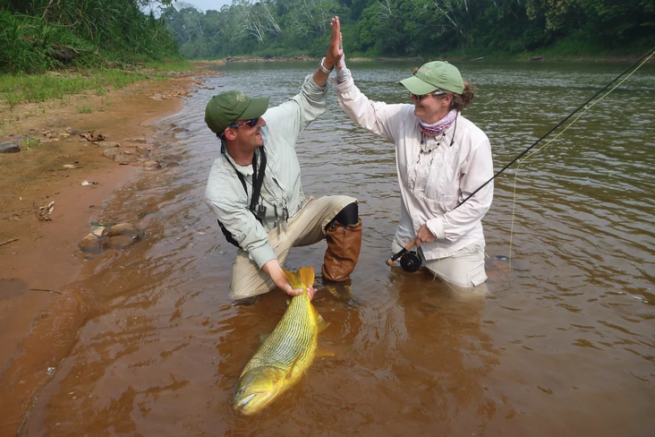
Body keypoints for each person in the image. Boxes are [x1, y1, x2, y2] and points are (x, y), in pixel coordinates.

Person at [204, 18, 361, 301]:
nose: (261, 121)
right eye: (252, 121)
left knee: (346, 208)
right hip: (265, 236)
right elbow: (252, 237)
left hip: (301, 215)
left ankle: (336, 290)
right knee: (243, 299)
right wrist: (282, 281)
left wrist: (328, 62)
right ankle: (283, 283)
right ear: (230, 133)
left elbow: (305, 100)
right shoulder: (219, 188)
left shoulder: (270, 125)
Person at [331, 18, 493, 294]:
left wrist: (438, 228)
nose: (412, 99)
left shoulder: (474, 140)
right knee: (402, 293)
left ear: (447, 99)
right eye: (412, 92)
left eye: (420, 95)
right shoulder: (404, 118)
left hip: (455, 243)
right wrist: (340, 67)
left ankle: (492, 267)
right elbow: (364, 111)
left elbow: (478, 203)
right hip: (409, 236)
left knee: (470, 305)